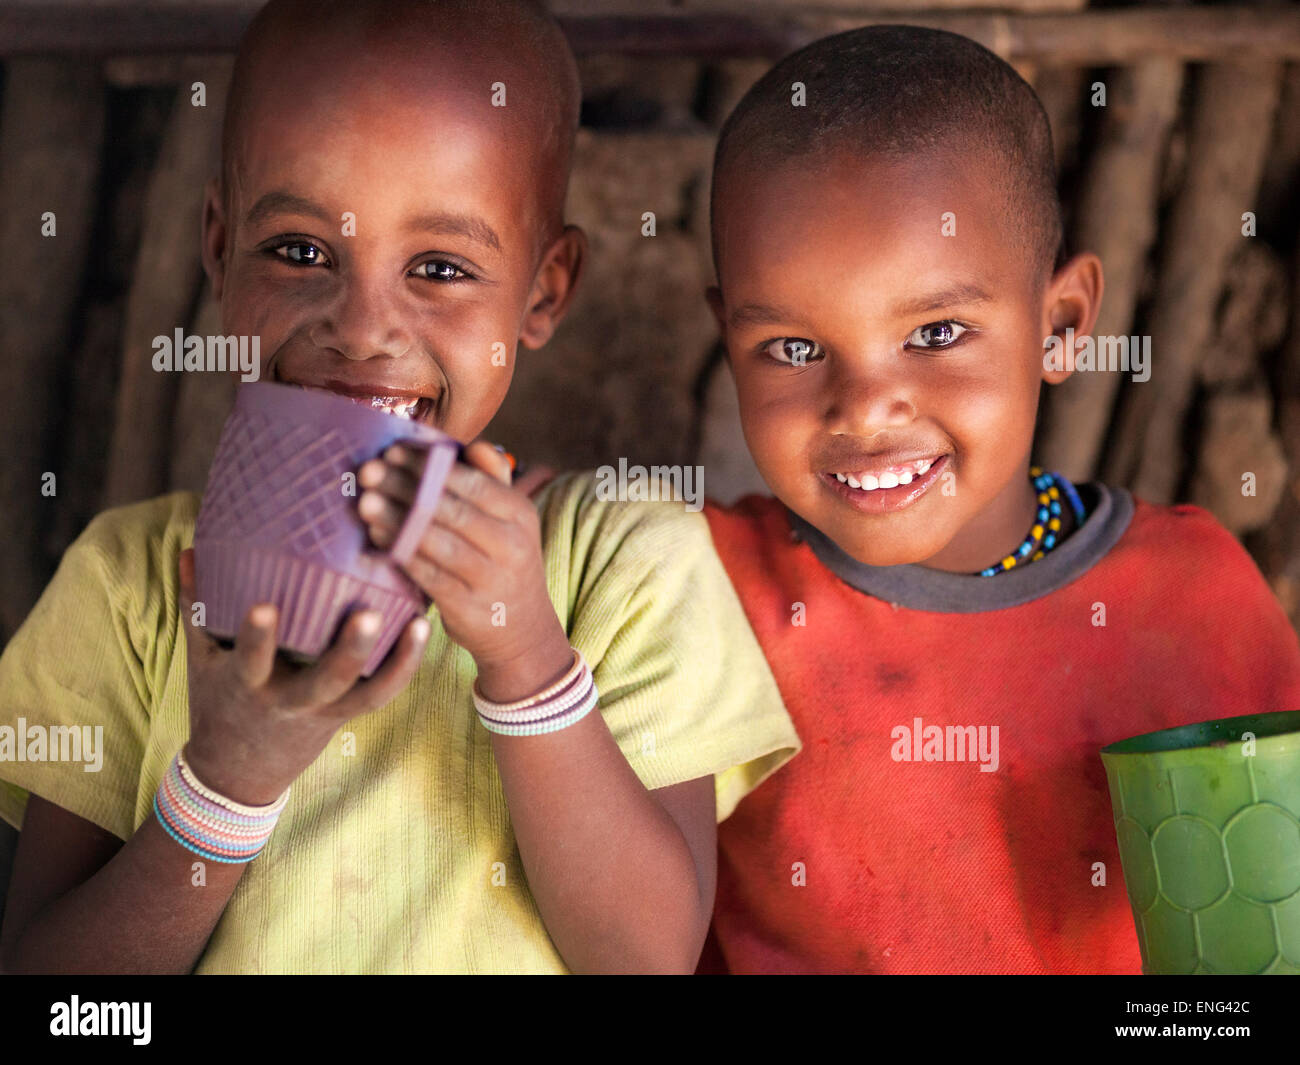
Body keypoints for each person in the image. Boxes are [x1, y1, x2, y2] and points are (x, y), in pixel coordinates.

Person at [0, 0, 798, 974]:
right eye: (299, 251)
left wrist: (529, 664)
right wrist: (224, 785)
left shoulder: (623, 561)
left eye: (439, 266)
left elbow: (644, 959)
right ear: (217, 247)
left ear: (544, 291)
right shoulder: (129, 583)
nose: (363, 324)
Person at [698, 24, 1300, 973]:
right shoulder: (706, 594)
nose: (864, 405)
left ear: (1060, 324)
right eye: (795, 347)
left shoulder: (1190, 600)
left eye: (937, 331)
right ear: (727, 337)